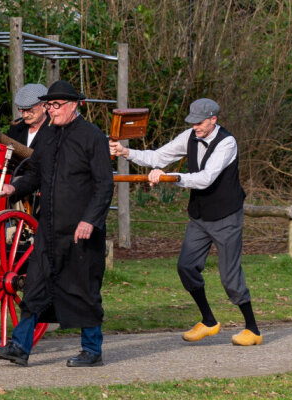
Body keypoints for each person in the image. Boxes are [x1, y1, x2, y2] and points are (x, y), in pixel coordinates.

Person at [109, 98, 263, 346]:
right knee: (186, 267)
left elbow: (206, 179)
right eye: (192, 122)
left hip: (226, 217)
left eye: (199, 123)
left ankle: (253, 329)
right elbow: (159, 156)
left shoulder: (227, 143)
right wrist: (126, 152)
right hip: (200, 216)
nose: (195, 127)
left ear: (213, 119)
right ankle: (209, 322)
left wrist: (169, 177)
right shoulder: (190, 135)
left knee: (229, 277)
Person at [0, 80, 114, 367]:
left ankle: (92, 350)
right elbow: (34, 174)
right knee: (35, 286)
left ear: (73, 106)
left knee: (83, 289)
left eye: (56, 106)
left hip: (81, 232)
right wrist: (13, 189)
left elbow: (104, 185)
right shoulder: (47, 136)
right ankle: (20, 347)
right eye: (49, 105)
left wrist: (90, 221)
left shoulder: (92, 137)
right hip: (49, 228)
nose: (51, 110)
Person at [4, 83, 54, 207]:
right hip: (14, 186)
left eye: (29, 110)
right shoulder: (16, 129)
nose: (24, 115)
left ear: (44, 106)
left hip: (42, 191)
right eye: (22, 110)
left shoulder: (54, 131)